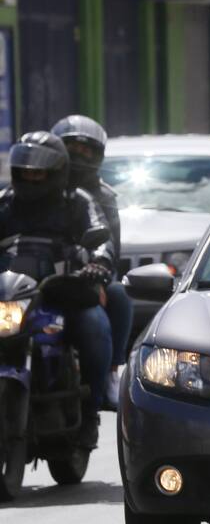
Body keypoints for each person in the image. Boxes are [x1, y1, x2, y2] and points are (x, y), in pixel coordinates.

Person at [0, 132, 114, 448]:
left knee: (94, 326)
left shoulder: (77, 201)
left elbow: (101, 237)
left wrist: (99, 262)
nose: (30, 177)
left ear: (56, 171)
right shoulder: (5, 202)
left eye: (38, 172)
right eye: (25, 171)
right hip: (11, 296)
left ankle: (90, 412)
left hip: (62, 293)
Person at [52, 114, 131, 409]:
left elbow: (109, 244)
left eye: (86, 150)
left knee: (117, 297)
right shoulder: (27, 193)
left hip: (82, 277)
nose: (77, 156)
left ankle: (107, 376)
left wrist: (97, 271)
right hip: (35, 277)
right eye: (70, 147)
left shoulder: (98, 199)